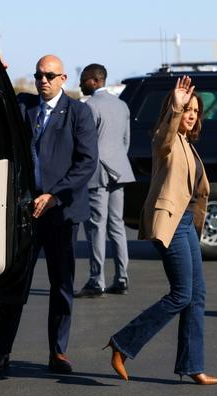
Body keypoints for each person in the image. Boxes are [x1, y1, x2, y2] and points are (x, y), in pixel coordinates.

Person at [0, 54, 98, 374]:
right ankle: (0, 353)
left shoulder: (79, 113)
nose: (42, 80)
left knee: (61, 284)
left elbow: (86, 163)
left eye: (49, 75)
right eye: (38, 75)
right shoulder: (25, 107)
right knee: (15, 283)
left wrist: (54, 195)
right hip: (27, 212)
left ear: (64, 79)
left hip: (61, 212)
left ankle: (58, 352)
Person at [105, 76, 217, 385]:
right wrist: (175, 108)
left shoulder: (188, 145)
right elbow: (163, 139)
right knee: (182, 294)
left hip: (185, 224)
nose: (191, 114)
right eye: (187, 110)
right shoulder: (165, 139)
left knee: (197, 295)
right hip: (170, 223)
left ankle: (193, 365)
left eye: (195, 110)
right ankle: (123, 342)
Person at [74, 64, 135, 298]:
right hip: (120, 170)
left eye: (82, 80)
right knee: (117, 226)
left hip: (97, 173)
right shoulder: (122, 105)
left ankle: (96, 281)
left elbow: (84, 145)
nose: (80, 84)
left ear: (93, 81)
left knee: (96, 228)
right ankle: (122, 278)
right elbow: (125, 142)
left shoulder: (88, 106)